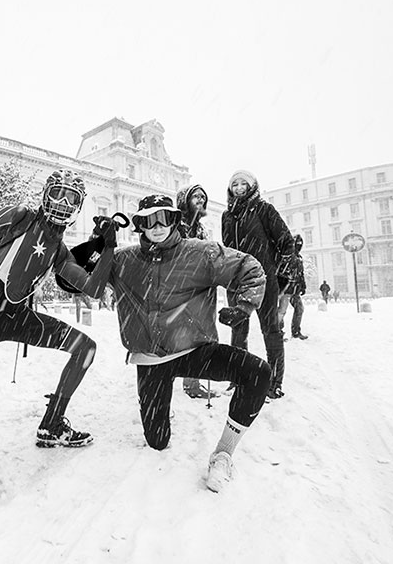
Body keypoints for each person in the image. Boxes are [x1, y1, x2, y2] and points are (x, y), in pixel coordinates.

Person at [0, 169, 116, 507]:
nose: (62, 203)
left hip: (19, 319)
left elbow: (93, 287)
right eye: (57, 193)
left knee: (85, 349)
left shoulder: (59, 250)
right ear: (45, 193)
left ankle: (53, 423)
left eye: (72, 199)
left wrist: (109, 245)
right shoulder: (20, 216)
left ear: (79, 207)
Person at [106, 194, 271, 491]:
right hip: (152, 360)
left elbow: (249, 267)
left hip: (195, 350)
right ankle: (158, 404)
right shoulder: (124, 260)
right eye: (148, 220)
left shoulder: (201, 254)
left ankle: (223, 454)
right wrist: (98, 243)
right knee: (157, 442)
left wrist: (244, 305)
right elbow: (75, 276)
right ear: (139, 225)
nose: (156, 227)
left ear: (174, 219)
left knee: (257, 372)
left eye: (164, 218)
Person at [221, 170, 294, 400]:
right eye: (235, 184)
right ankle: (239, 376)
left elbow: (286, 241)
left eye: (244, 183)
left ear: (252, 186)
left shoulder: (264, 209)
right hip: (237, 279)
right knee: (238, 328)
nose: (240, 188)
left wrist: (279, 271)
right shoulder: (227, 215)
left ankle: (274, 381)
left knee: (271, 329)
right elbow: (228, 247)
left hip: (264, 279)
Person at [176, 183, 219, 400]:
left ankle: (192, 381)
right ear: (185, 200)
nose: (201, 200)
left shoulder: (200, 228)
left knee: (199, 336)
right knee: (187, 336)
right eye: (196, 197)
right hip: (183, 288)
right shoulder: (178, 224)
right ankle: (187, 382)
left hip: (201, 288)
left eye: (203, 197)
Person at [278, 234, 308, 340]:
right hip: (286, 289)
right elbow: (281, 272)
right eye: (297, 244)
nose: (299, 246)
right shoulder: (287, 257)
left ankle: (296, 332)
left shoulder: (299, 258)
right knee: (281, 311)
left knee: (299, 309)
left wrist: (303, 286)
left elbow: (301, 274)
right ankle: (278, 333)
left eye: (300, 244)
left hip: (295, 290)